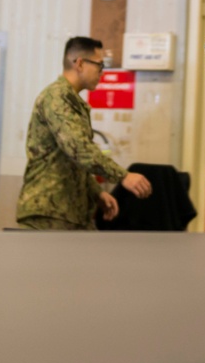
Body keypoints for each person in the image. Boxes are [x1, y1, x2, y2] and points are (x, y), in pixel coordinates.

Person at [16, 37, 152, 230]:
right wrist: (123, 176)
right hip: (48, 212)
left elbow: (71, 161)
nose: (102, 73)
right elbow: (79, 150)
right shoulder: (56, 98)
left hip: (69, 212)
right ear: (80, 63)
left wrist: (96, 192)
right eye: (99, 65)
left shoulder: (72, 101)